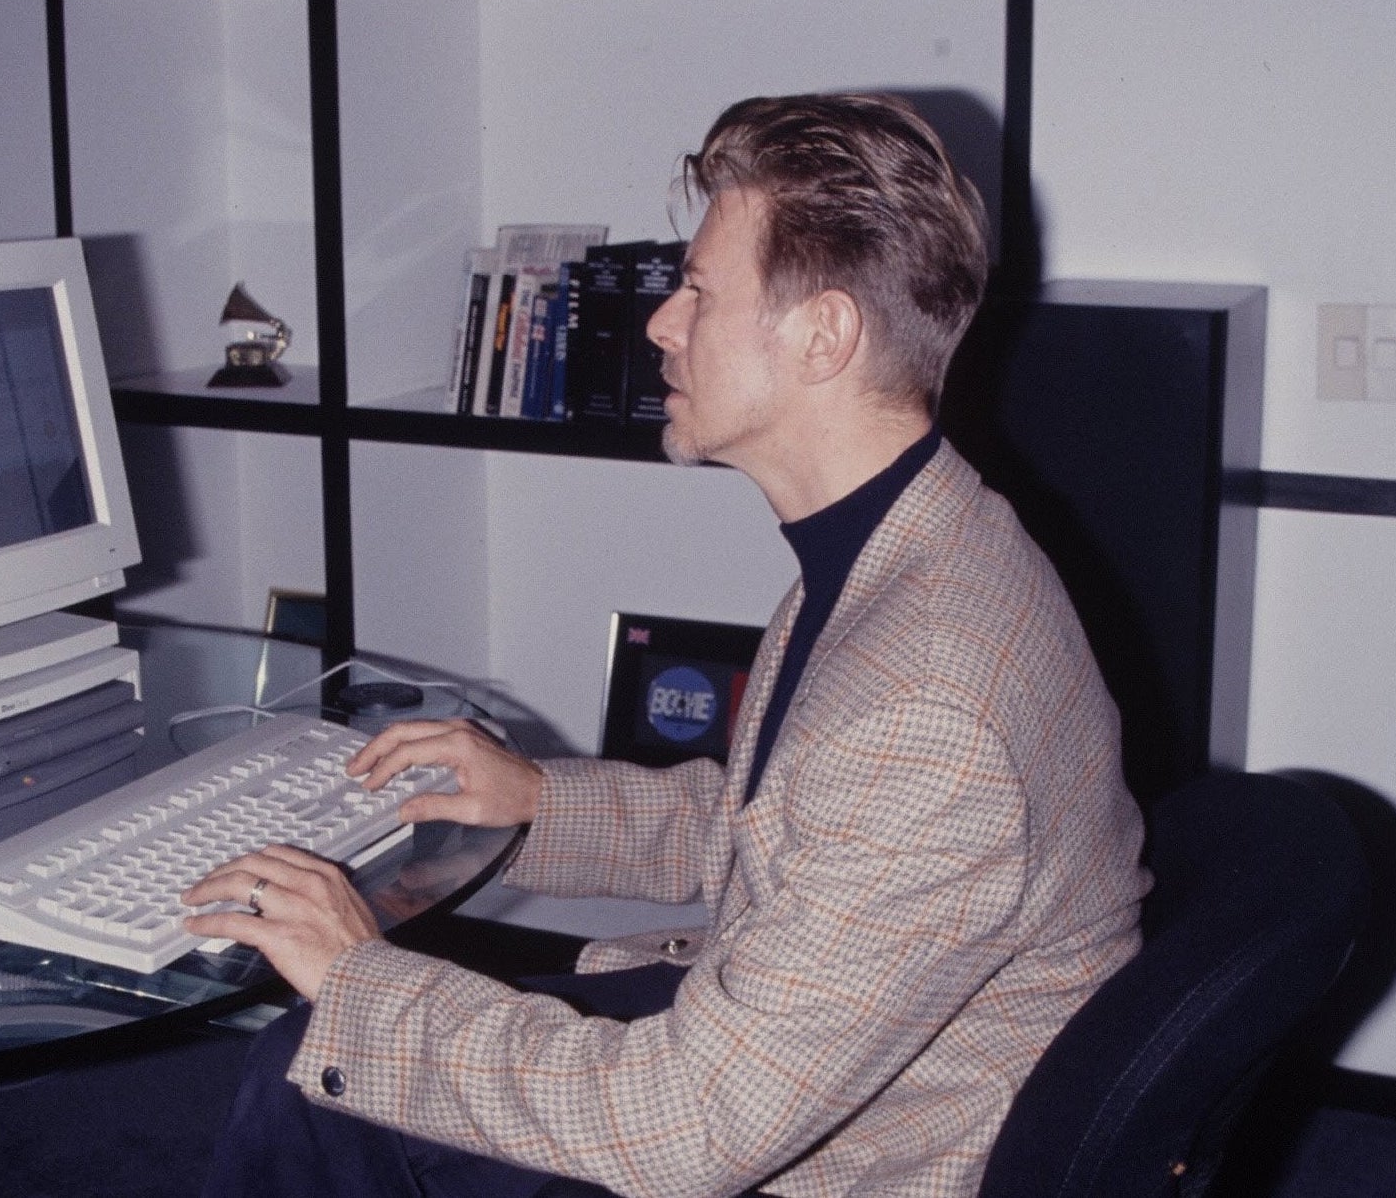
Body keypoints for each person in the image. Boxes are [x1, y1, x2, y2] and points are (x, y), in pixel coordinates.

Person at [184, 94, 1150, 1198]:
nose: (659, 324)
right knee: (316, 1066)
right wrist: (531, 801)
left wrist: (356, 979)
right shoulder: (918, 542)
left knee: (317, 1064)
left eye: (698, 291)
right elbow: (781, 827)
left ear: (824, 336)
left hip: (833, 1158)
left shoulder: (925, 703)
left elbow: (684, 1131)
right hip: (807, 1073)